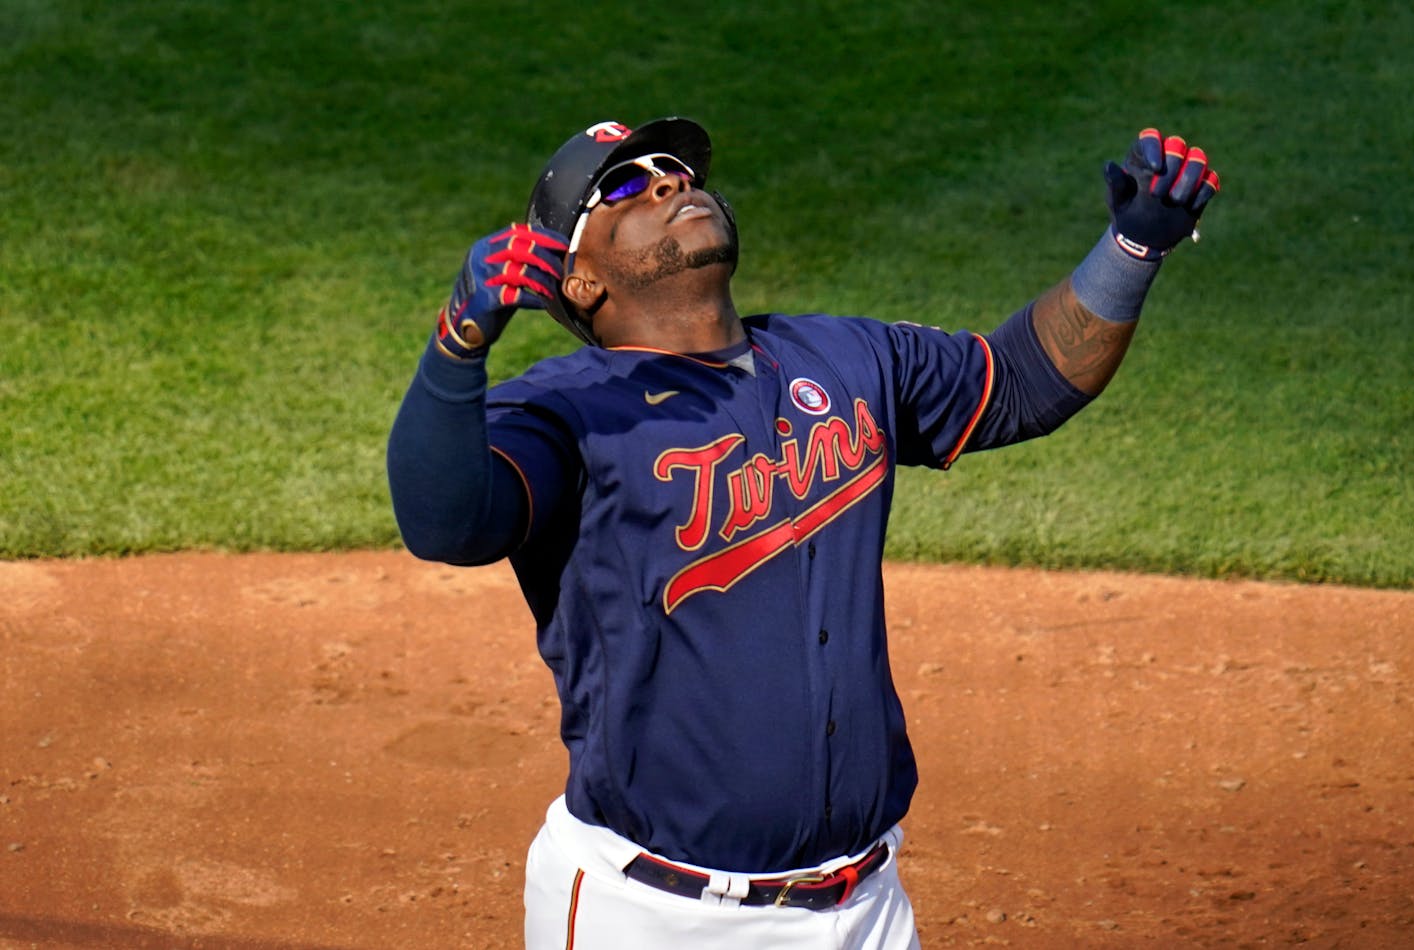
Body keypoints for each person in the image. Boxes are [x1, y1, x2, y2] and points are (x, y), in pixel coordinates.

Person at [386, 117, 1219, 949]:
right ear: (580, 281)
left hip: (864, 910)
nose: (672, 182)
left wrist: (1134, 245)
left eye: (676, 168)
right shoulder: (560, 411)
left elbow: (1020, 382)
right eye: (628, 187)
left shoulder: (843, 357)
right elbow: (448, 523)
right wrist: (458, 344)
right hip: (648, 916)